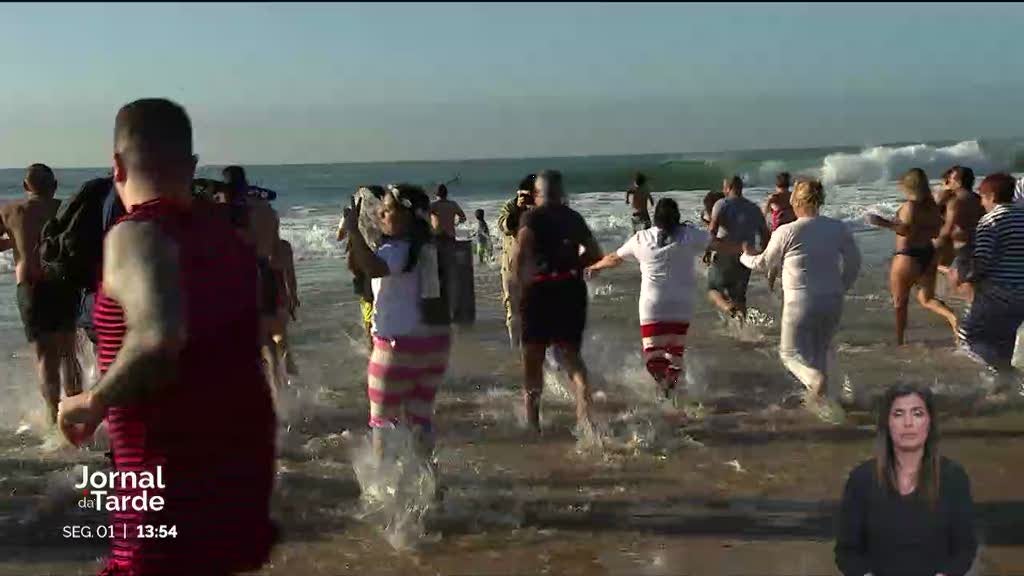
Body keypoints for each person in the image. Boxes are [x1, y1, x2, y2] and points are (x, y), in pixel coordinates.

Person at [56, 98, 276, 575]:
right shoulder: (229, 238)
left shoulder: (134, 235)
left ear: (116, 165)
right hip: (241, 469)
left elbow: (158, 335)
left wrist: (92, 401)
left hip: (165, 478)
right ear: (192, 165)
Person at [587, 198, 740, 402]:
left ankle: (665, 389)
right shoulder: (689, 235)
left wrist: (595, 267)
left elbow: (615, 258)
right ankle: (670, 390)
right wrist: (746, 249)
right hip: (681, 306)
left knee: (653, 358)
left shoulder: (642, 238)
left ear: (656, 218)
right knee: (674, 354)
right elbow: (720, 245)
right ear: (677, 217)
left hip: (653, 306)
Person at [343, 183, 452, 458]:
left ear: (406, 216)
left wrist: (354, 229)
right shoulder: (430, 247)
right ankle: (430, 483)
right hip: (435, 346)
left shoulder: (395, 250)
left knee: (382, 423)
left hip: (397, 347)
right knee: (420, 420)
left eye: (387, 209)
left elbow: (372, 268)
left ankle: (384, 488)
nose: (380, 213)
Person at [740, 180, 861, 419]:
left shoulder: (787, 230)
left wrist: (745, 255)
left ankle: (815, 382)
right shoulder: (837, 227)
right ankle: (827, 404)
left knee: (789, 354)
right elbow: (854, 262)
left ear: (796, 202)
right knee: (821, 350)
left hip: (801, 300)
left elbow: (764, 263)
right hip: (833, 299)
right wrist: (841, 286)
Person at [835, 383, 977, 576]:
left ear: (929, 422)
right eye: (898, 414)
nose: (908, 423)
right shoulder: (862, 479)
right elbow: (846, 551)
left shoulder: (953, 477)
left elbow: (965, 549)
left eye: (917, 413)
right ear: (887, 423)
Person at [511, 170, 603, 433]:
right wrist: (574, 265)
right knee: (572, 358)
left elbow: (519, 255)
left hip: (539, 291)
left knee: (533, 358)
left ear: (537, 194)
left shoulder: (531, 216)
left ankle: (533, 423)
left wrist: (518, 290)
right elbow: (595, 254)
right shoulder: (573, 217)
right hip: (570, 289)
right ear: (561, 192)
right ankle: (585, 418)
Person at [0, 164, 83, 424]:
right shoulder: (66, 208)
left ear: (26, 187)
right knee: (69, 353)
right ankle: (76, 416)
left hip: (30, 286)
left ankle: (52, 418)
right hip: (63, 282)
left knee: (45, 357)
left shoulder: (10, 210)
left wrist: (15, 239)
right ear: (55, 186)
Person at [868, 168, 958, 345]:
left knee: (900, 303)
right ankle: (952, 317)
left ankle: (900, 341)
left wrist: (882, 222)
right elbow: (936, 230)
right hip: (927, 254)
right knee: (927, 299)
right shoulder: (932, 206)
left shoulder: (910, 206)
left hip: (907, 256)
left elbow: (905, 229)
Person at [951, 173, 1024, 378]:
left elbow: (982, 261)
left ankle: (998, 374)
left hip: (997, 293)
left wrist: (965, 278)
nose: (982, 203)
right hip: (1021, 295)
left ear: (991, 196)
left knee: (967, 337)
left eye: (982, 198)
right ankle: (1005, 382)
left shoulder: (990, 221)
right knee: (1005, 339)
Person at [705, 176, 769, 321]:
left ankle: (728, 308)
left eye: (724, 187)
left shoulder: (721, 204)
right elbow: (765, 235)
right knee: (740, 297)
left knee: (713, 289)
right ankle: (743, 331)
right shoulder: (754, 208)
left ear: (728, 188)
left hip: (725, 254)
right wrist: (763, 256)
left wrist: (708, 250)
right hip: (747, 256)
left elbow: (711, 233)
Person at [497, 175, 536, 348]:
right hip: (511, 267)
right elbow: (505, 227)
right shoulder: (510, 207)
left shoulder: (541, 208)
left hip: (535, 267)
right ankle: (515, 348)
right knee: (512, 311)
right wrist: (519, 209)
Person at [935, 166, 983, 302]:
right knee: (970, 281)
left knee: (961, 283)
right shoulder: (979, 198)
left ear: (956, 181)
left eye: (949, 179)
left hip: (959, 244)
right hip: (978, 242)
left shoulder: (955, 200)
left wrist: (935, 244)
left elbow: (948, 227)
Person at [266, 218, 300, 381]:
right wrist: (293, 296)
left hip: (263, 297)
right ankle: (289, 369)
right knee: (281, 337)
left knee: (269, 350)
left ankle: (279, 391)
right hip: (280, 297)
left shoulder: (256, 248)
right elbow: (290, 277)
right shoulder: (284, 247)